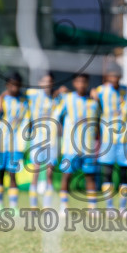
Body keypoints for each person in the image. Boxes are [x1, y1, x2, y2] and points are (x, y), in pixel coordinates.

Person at [54, 73, 100, 211]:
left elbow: (97, 123)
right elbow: (56, 117)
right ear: (74, 83)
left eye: (84, 82)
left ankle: (92, 208)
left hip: (88, 147)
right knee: (67, 176)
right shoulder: (67, 99)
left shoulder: (94, 102)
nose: (81, 84)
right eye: (78, 82)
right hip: (70, 147)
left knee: (90, 177)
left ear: (88, 83)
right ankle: (63, 207)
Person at [93, 63, 127, 213]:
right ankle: (109, 207)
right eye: (112, 75)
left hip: (124, 140)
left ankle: (123, 207)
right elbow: (93, 99)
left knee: (124, 173)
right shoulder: (101, 91)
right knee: (107, 173)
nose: (115, 78)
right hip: (108, 139)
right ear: (107, 77)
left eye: (117, 75)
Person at [0, 73, 27, 211]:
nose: (14, 87)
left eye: (17, 84)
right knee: (0, 173)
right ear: (7, 85)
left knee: (13, 174)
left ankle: (13, 206)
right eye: (11, 84)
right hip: (0, 143)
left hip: (15, 144)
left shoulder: (24, 101)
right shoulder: (1, 101)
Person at [24, 73, 60, 208]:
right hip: (37, 139)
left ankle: (47, 206)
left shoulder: (57, 98)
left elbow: (67, 93)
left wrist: (62, 90)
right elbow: (14, 91)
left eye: (50, 81)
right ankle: (33, 206)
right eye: (44, 81)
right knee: (36, 171)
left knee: (49, 173)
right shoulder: (32, 94)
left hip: (52, 140)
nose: (47, 84)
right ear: (40, 83)